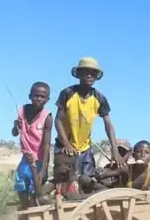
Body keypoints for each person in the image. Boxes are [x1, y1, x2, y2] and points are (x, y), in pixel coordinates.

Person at [53, 57, 124, 195]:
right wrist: (66, 144)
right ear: (79, 74)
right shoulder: (67, 94)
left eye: (93, 73)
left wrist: (115, 151)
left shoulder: (99, 98)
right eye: (86, 72)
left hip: (85, 148)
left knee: (88, 182)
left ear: (96, 77)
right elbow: (58, 121)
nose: (90, 75)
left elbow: (108, 125)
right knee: (65, 184)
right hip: (65, 147)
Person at [2, 82, 53, 220]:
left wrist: (43, 168)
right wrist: (15, 126)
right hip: (25, 158)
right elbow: (14, 132)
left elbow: (46, 145)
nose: (38, 99)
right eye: (36, 95)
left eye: (42, 96)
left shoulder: (47, 117)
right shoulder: (22, 111)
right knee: (21, 188)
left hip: (39, 159)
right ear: (30, 96)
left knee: (35, 193)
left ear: (47, 99)